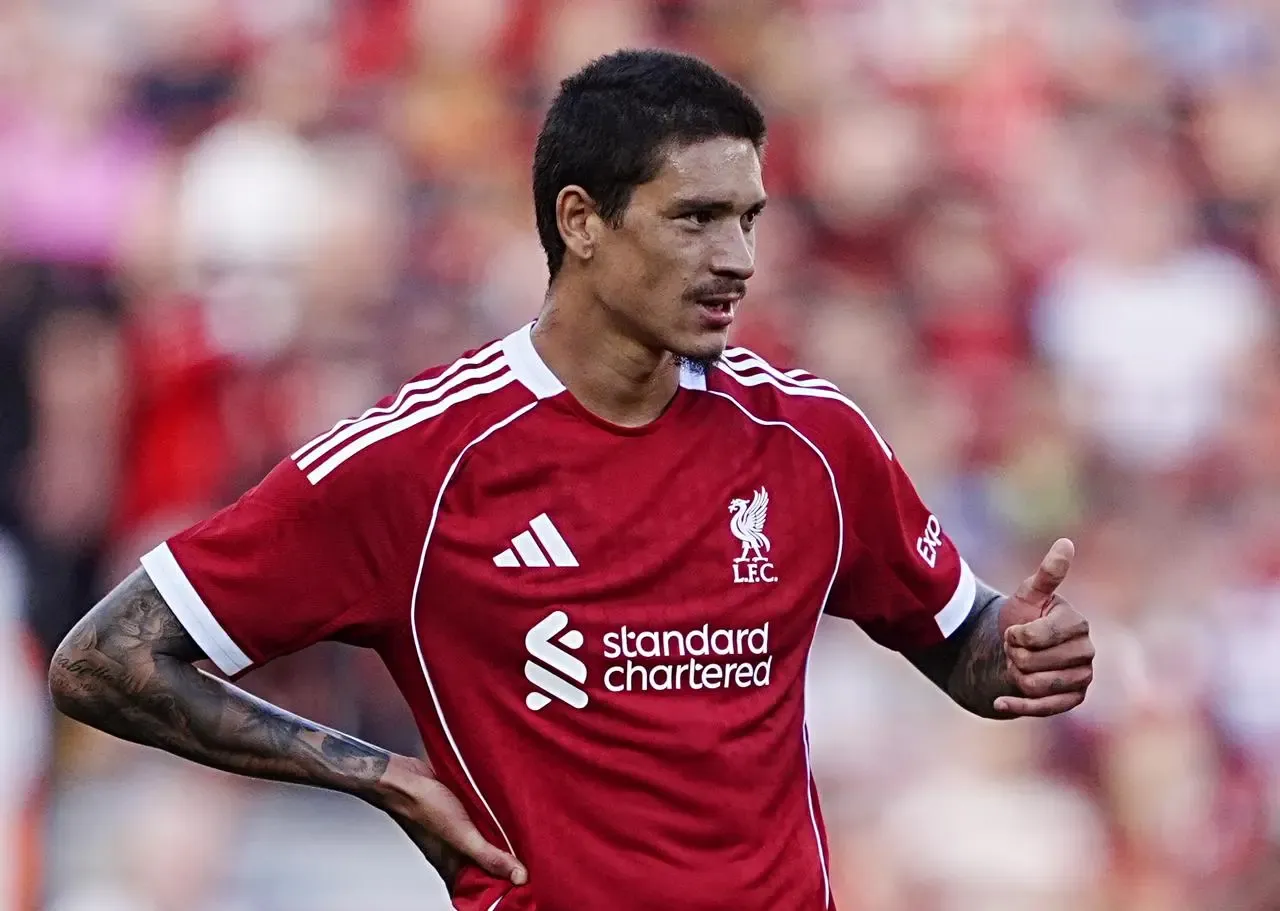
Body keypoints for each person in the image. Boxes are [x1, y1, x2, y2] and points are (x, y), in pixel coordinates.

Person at [48, 49, 1095, 911]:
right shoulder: (421, 460)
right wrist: (378, 775)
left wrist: (1020, 648)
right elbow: (106, 659)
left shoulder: (812, 439)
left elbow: (962, 645)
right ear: (581, 220)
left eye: (749, 218)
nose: (736, 257)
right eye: (695, 217)